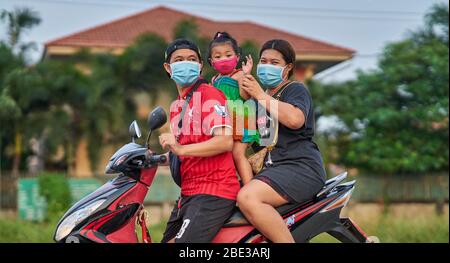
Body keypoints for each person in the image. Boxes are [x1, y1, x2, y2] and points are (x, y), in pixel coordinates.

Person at [237, 39, 326, 243]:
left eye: (274, 63)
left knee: (248, 198)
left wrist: (260, 94)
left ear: (287, 68)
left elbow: (295, 120)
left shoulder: (294, 90)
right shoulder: (254, 102)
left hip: (299, 167)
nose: (267, 66)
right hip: (271, 171)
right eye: (264, 61)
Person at [158, 39, 240, 243]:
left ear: (201, 65)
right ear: (168, 68)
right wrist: (153, 159)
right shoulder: (177, 105)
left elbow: (224, 142)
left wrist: (180, 149)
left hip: (214, 190)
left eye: (191, 59)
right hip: (188, 193)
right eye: (179, 59)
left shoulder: (209, 94)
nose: (186, 63)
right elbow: (186, 150)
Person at [207, 32, 259, 185]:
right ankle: (236, 185)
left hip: (242, 121)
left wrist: (247, 74)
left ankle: (249, 186)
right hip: (226, 123)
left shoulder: (239, 75)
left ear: (237, 57)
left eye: (228, 54)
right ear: (211, 61)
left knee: (238, 154)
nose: (223, 59)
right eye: (218, 56)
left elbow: (244, 96)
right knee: (226, 156)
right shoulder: (214, 79)